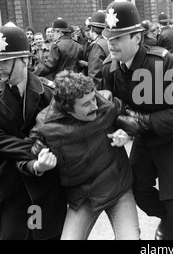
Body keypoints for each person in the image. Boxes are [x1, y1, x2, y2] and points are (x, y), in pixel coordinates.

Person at [101, 0, 173, 240]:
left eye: (118, 38)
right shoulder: (109, 68)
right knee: (138, 190)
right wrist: (121, 125)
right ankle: (167, 219)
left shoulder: (161, 61)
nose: (111, 45)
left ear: (136, 37)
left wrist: (141, 122)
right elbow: (112, 106)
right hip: (145, 138)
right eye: (109, 39)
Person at [0, 24, 67, 240]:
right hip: (10, 182)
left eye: (5, 61)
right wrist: (34, 149)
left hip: (46, 183)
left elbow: (62, 132)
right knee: (12, 234)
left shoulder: (49, 91)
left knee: (46, 234)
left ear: (25, 59)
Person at [24, 70, 140, 240]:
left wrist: (128, 134)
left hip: (117, 189)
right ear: (67, 109)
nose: (94, 106)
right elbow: (28, 155)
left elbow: (130, 120)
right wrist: (39, 165)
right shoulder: (46, 125)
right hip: (82, 197)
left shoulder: (106, 106)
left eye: (93, 98)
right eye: (86, 104)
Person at [85, 11, 110, 89]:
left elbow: (94, 76)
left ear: (92, 28)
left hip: (102, 91)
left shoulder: (97, 45)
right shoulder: (109, 41)